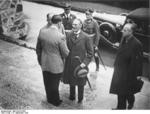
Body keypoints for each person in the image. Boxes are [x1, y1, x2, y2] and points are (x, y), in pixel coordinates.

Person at [36, 15, 69, 106]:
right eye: (61, 23)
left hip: (45, 63)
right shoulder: (60, 36)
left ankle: (49, 99)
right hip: (56, 65)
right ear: (59, 23)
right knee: (55, 84)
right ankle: (56, 101)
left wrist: (40, 60)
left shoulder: (42, 32)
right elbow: (65, 53)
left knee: (47, 82)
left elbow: (38, 48)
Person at [110, 23, 143, 109]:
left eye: (125, 30)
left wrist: (139, 74)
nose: (122, 31)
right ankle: (120, 107)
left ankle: (127, 103)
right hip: (119, 70)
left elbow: (139, 60)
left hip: (129, 72)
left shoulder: (137, 44)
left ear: (131, 32)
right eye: (123, 29)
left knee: (125, 91)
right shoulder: (123, 38)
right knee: (119, 90)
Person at [63, 18, 93, 103]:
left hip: (80, 64)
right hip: (70, 63)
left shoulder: (86, 37)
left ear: (80, 25)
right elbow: (65, 48)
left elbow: (90, 53)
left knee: (80, 83)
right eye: (73, 24)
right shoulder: (69, 34)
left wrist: (85, 63)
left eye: (75, 25)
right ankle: (72, 96)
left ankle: (80, 99)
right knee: (71, 81)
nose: (73, 26)